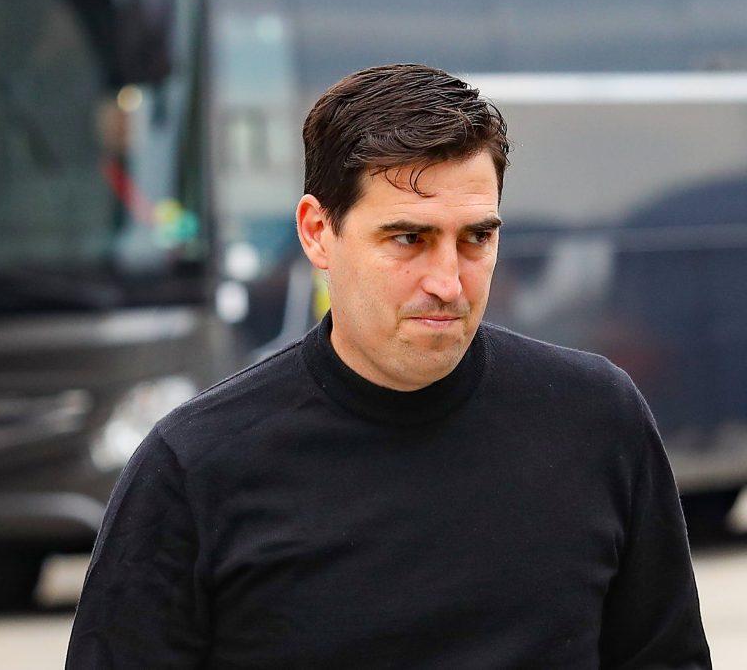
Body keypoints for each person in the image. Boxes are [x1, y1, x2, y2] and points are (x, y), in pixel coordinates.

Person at [66, 64, 711, 669]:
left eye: (476, 239)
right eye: (409, 239)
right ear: (319, 232)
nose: (448, 282)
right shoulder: (194, 467)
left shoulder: (595, 418)